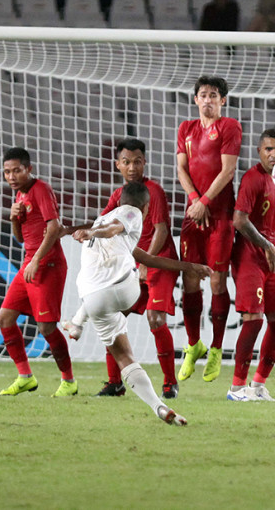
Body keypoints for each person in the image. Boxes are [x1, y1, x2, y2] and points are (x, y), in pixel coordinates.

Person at [69, 181, 213, 425]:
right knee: (132, 348)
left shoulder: (100, 219)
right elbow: (116, 228)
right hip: (124, 288)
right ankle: (159, 406)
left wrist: (189, 267)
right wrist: (93, 233)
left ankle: (77, 322)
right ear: (146, 207)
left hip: (93, 297)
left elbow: (145, 257)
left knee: (123, 357)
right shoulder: (130, 213)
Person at [62, 139, 182, 399]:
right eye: (126, 162)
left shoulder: (154, 192)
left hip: (156, 261)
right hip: (129, 265)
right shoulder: (119, 195)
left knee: (156, 319)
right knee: (113, 317)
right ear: (118, 165)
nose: (132, 167)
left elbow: (161, 230)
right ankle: (115, 383)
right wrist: (73, 230)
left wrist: (143, 264)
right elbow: (102, 223)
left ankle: (170, 382)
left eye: (137, 161)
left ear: (144, 163)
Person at [227, 129, 275, 402]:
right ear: (259, 151)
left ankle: (258, 385)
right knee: (254, 319)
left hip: (270, 257)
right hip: (249, 257)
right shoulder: (252, 179)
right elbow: (239, 220)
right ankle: (236, 388)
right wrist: (266, 245)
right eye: (269, 149)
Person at [176, 75, 242, 383]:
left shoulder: (229, 127)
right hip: (193, 212)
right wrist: (194, 200)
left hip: (220, 215)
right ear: (195, 99)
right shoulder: (185, 129)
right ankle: (193, 345)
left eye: (214, 95)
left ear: (222, 100)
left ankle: (216, 349)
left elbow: (228, 170)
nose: (208, 100)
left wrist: (204, 201)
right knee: (190, 278)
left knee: (217, 282)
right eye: (203, 95)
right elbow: (181, 167)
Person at [0, 147, 76, 397]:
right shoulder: (19, 196)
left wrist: (36, 261)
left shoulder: (41, 189)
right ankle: (25, 377)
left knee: (46, 327)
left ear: (29, 169)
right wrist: (12, 219)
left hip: (48, 264)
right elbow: (21, 238)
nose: (11, 176)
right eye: (7, 172)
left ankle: (69, 381)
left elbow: (54, 228)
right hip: (30, 263)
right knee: (4, 318)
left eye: (16, 171)